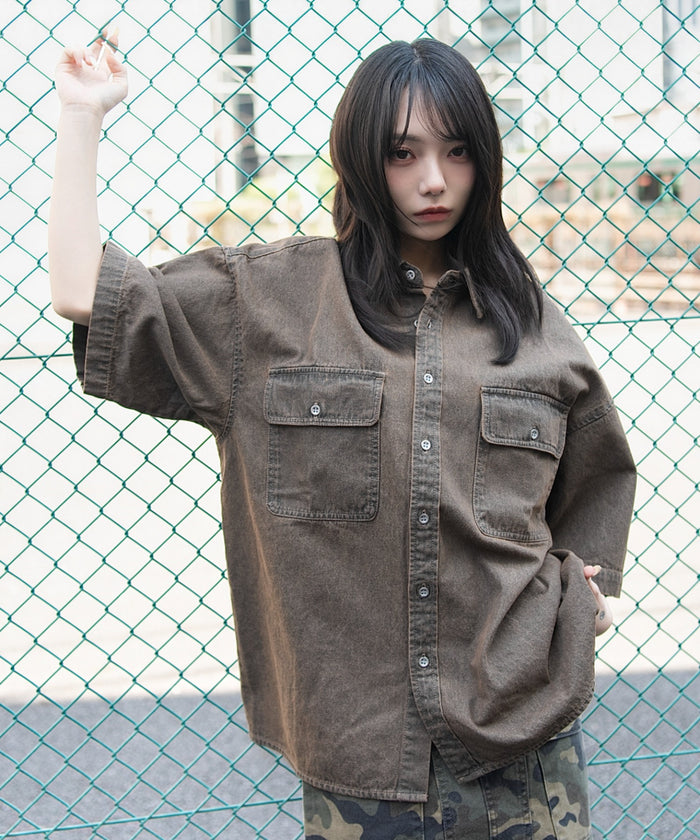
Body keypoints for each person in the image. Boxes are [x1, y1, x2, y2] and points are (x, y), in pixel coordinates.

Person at [49, 33, 636, 840]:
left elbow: (594, 484)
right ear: (361, 159)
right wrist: (81, 116)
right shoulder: (267, 301)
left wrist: (586, 602)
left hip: (527, 756)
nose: (434, 180)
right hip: (361, 764)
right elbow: (84, 292)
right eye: (403, 153)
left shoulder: (531, 324)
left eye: (457, 151)